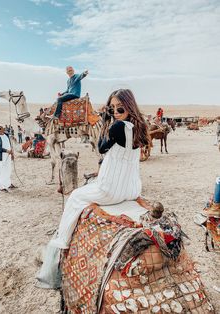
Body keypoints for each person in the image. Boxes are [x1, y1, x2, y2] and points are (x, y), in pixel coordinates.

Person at [50, 88, 150, 249]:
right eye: (112, 109)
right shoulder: (140, 126)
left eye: (120, 108)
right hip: (132, 189)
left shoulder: (117, 126)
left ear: (129, 106)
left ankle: (63, 240)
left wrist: (106, 123)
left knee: (75, 196)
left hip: (111, 190)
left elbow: (101, 148)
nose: (116, 112)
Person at [0, 126, 16, 192]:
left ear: (3, 129)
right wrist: (7, 151)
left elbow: (9, 145)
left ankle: (8, 184)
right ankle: (1, 186)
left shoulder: (6, 135)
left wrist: (11, 154)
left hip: (7, 156)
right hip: (0, 157)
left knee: (7, 170)